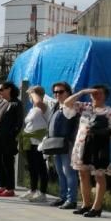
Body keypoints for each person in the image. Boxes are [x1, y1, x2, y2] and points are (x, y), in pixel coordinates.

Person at [63, 85, 111, 218]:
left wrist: (101, 131)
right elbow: (66, 103)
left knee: (99, 175)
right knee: (83, 174)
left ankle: (97, 207)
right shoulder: (85, 106)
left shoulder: (109, 111)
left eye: (99, 93)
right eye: (94, 93)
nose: (96, 95)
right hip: (82, 145)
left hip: (98, 146)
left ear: (105, 96)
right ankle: (86, 204)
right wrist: (83, 92)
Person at [42, 82, 80, 210]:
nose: (57, 94)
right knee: (60, 172)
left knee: (68, 172)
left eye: (61, 91)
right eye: (55, 92)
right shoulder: (57, 106)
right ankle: (63, 196)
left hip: (67, 144)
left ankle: (71, 199)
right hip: (56, 144)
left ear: (68, 93)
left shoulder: (71, 106)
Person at [0, 82, 24, 197]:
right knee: (0, 162)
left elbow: (19, 123)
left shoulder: (16, 104)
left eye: (1, 89)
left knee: (8, 163)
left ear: (9, 89)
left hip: (7, 139)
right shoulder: (1, 102)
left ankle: (10, 188)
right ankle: (2, 185)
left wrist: (11, 135)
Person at [22, 86, 51, 203]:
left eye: (31, 96)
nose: (30, 98)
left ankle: (43, 193)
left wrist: (32, 92)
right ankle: (33, 189)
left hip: (40, 142)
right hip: (29, 140)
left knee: (41, 167)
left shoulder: (44, 106)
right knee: (32, 166)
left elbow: (38, 101)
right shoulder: (33, 109)